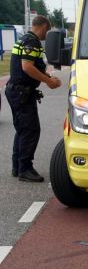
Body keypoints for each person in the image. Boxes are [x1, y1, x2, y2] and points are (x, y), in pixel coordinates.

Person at [5, 15, 62, 182]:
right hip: (21, 92)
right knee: (31, 130)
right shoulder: (32, 41)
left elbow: (32, 66)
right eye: (48, 30)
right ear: (44, 27)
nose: (47, 35)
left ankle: (18, 166)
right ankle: (25, 168)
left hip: (16, 90)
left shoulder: (23, 39)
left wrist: (47, 75)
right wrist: (48, 81)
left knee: (22, 129)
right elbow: (27, 67)